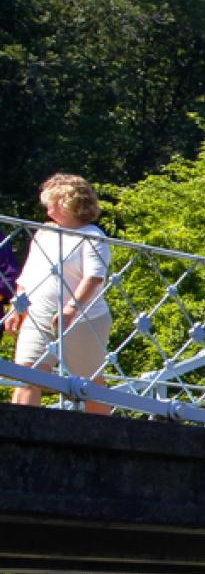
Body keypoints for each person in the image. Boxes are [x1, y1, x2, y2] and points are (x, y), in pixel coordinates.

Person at [7, 174, 113, 413]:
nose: (46, 207)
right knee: (27, 373)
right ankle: (21, 436)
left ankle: (104, 438)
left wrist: (71, 309)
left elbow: (94, 277)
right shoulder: (45, 233)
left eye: (51, 201)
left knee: (89, 384)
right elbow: (28, 275)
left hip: (84, 320)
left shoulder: (93, 235)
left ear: (67, 202)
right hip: (39, 314)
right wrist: (17, 306)